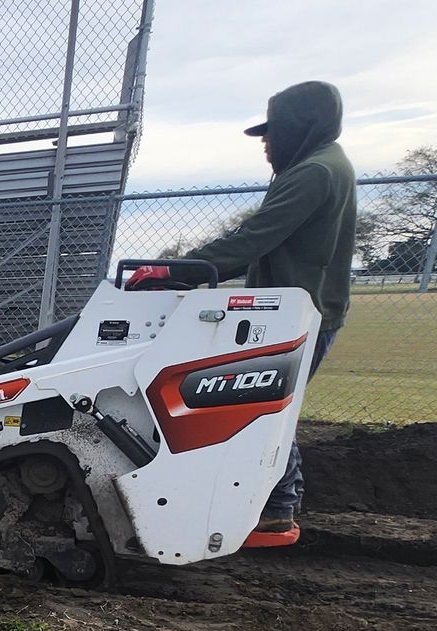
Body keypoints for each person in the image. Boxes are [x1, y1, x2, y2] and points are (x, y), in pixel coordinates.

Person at [127, 80, 357, 546]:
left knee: (267, 409)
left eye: (272, 134)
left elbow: (254, 238)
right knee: (264, 406)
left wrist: (171, 270)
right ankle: (264, 503)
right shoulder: (324, 165)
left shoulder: (314, 172)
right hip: (301, 309)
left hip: (299, 314)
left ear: (299, 126)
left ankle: (275, 509)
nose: (267, 145)